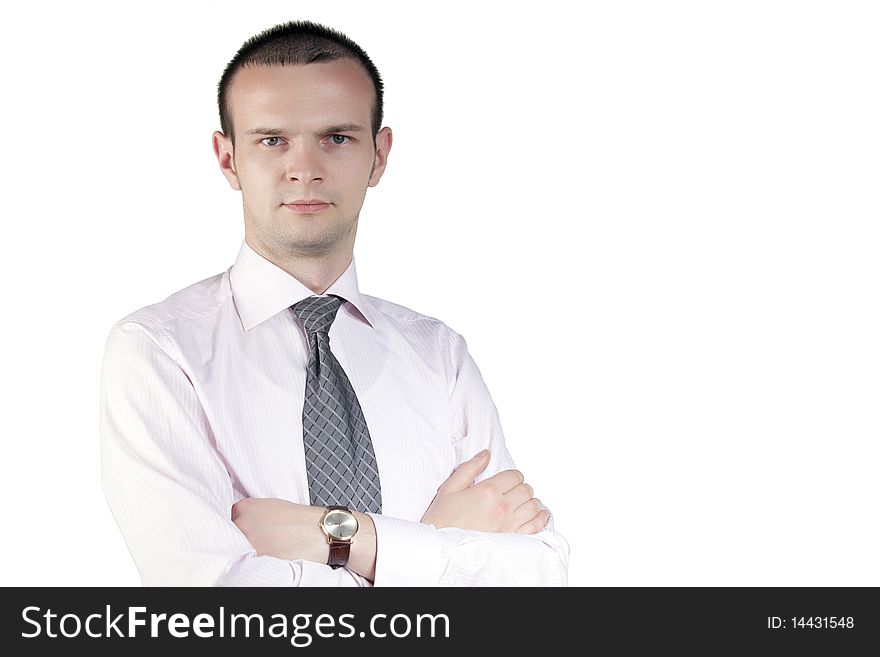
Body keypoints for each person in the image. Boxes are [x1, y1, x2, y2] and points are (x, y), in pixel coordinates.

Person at [99, 19, 570, 586]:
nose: (305, 167)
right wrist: (425, 545)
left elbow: (539, 576)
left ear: (379, 154)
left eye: (337, 137)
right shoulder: (158, 353)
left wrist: (335, 536)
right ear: (227, 159)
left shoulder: (438, 355)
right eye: (271, 140)